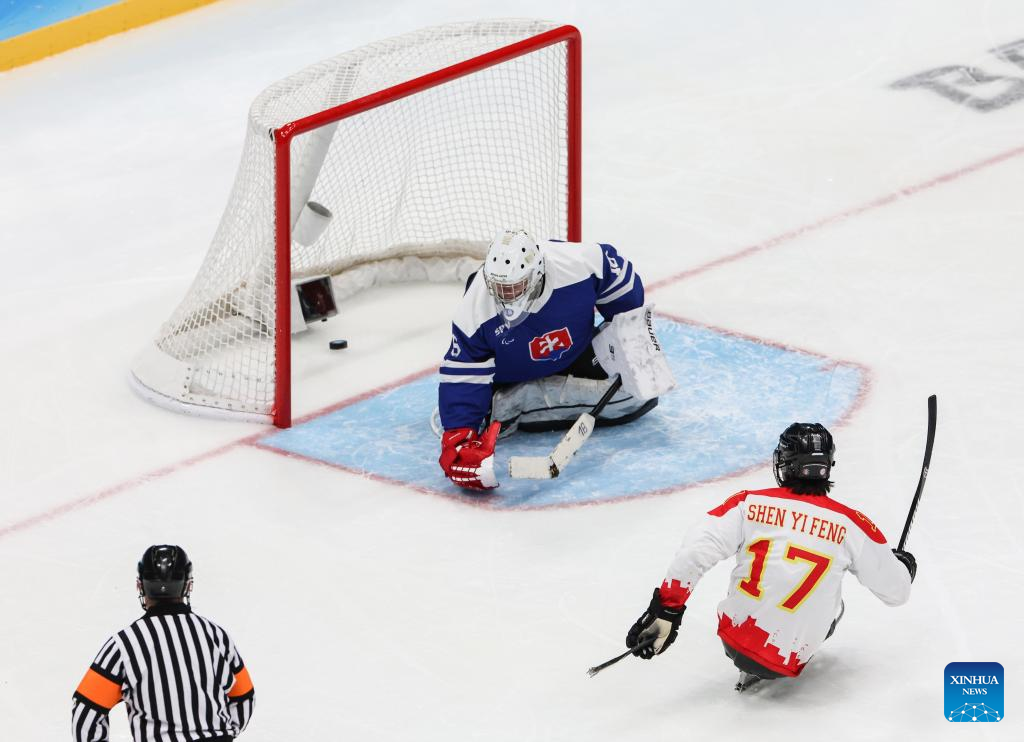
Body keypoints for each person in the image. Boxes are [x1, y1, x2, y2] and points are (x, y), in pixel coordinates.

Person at [624, 423, 917, 690]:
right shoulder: (853, 525)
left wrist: (667, 611)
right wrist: (901, 566)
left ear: (785, 464)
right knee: (836, 604)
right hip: (791, 656)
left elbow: (695, 551)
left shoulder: (748, 503)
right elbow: (897, 592)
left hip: (733, 638)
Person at [438, 229, 672, 490]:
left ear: (536, 273)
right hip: (509, 377)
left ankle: (514, 406)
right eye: (499, 288)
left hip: (577, 355)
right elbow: (464, 373)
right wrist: (460, 437)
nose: (507, 295)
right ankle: (514, 401)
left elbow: (620, 282)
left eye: (515, 286)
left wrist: (627, 328)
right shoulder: (475, 308)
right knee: (481, 416)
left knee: (636, 396)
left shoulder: (579, 264)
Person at [72, 545, 254, 741]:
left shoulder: (125, 644)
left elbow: (85, 712)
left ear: (140, 586)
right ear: (188, 586)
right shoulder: (216, 636)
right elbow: (244, 697)